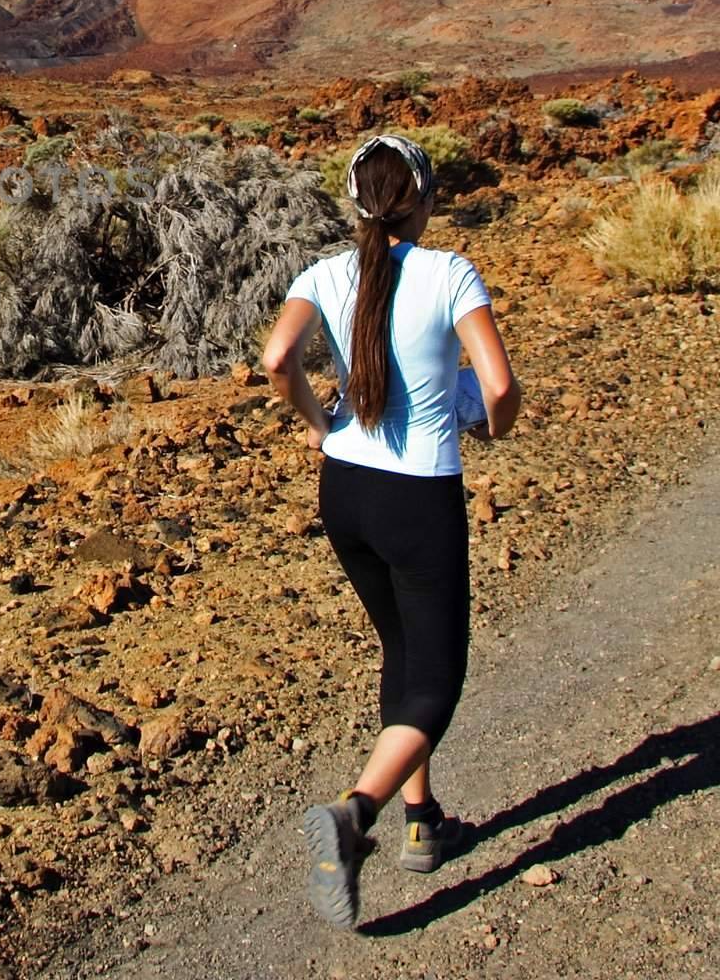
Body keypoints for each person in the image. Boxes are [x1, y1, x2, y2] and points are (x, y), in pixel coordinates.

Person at [261, 134, 521, 931]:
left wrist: (317, 426)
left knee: (401, 651)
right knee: (438, 682)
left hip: (345, 492)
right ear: (427, 195)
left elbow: (277, 357)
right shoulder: (451, 273)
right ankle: (354, 813)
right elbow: (500, 384)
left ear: (356, 205)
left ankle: (422, 819)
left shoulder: (325, 273)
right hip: (419, 498)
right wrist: (495, 426)